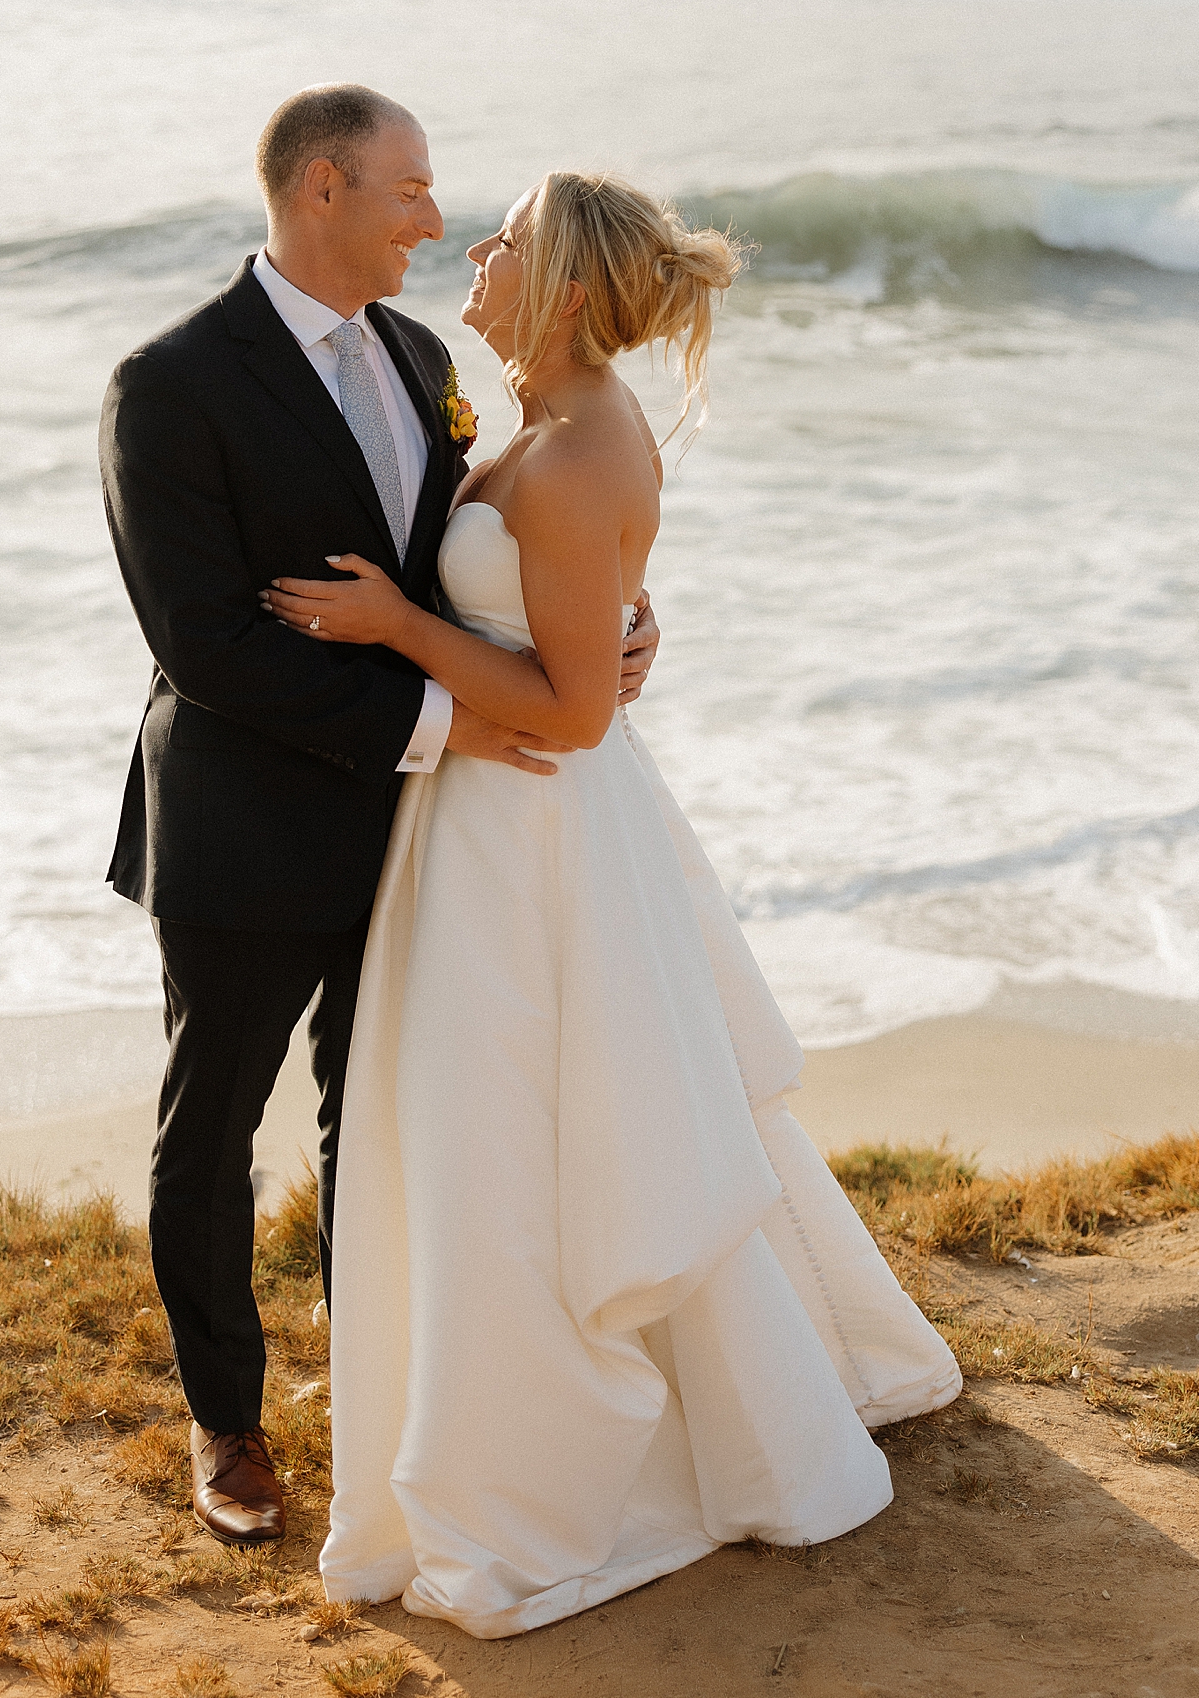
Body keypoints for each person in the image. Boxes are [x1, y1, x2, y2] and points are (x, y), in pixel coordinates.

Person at [261, 170, 962, 1637]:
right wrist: (588, 619)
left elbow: (574, 714)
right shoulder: (527, 415)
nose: (474, 245)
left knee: (523, 1144)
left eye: (505, 237)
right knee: (503, 1141)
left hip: (536, 836)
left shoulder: (579, 447)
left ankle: (547, 1470)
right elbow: (578, 632)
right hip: (487, 829)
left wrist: (400, 626)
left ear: (564, 285)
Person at [98, 91, 660, 1546]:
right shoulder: (169, 383)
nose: (432, 217)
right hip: (238, 828)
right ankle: (227, 1427)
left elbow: (488, 557)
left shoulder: (422, 359)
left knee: (386, 1128)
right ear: (325, 188)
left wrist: (610, 624)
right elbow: (207, 643)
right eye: (409, 190)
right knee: (214, 1125)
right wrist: (440, 721)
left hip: (421, 841)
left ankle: (384, 1402)